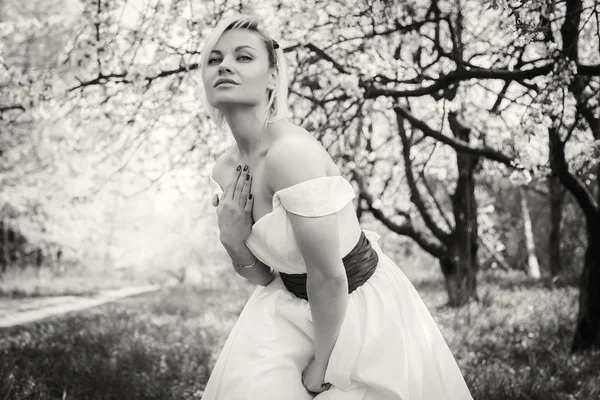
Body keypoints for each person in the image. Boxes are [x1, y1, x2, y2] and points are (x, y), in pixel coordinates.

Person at [201, 13, 473, 400]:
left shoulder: (291, 154)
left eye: (243, 57)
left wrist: (321, 368)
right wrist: (233, 243)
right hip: (288, 304)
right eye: (214, 59)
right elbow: (266, 276)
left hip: (356, 306)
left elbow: (329, 277)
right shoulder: (225, 170)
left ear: (273, 76)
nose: (225, 65)